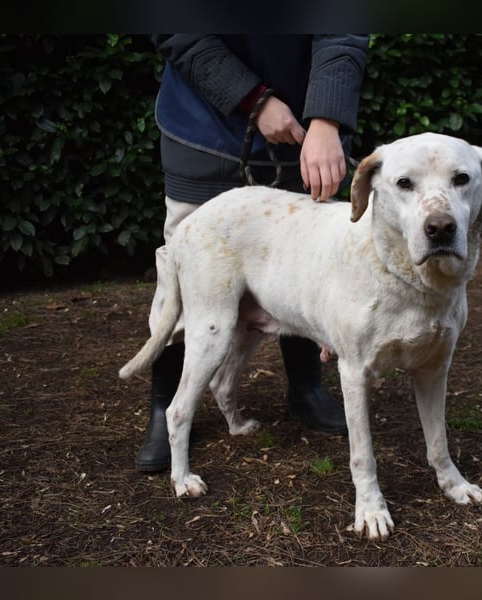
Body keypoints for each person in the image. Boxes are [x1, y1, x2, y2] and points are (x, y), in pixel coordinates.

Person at [136, 34, 370, 473]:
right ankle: (165, 406)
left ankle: (306, 390)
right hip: (202, 128)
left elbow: (343, 26)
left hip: (306, 129)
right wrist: (253, 99)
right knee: (190, 284)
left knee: (305, 262)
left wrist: (326, 118)